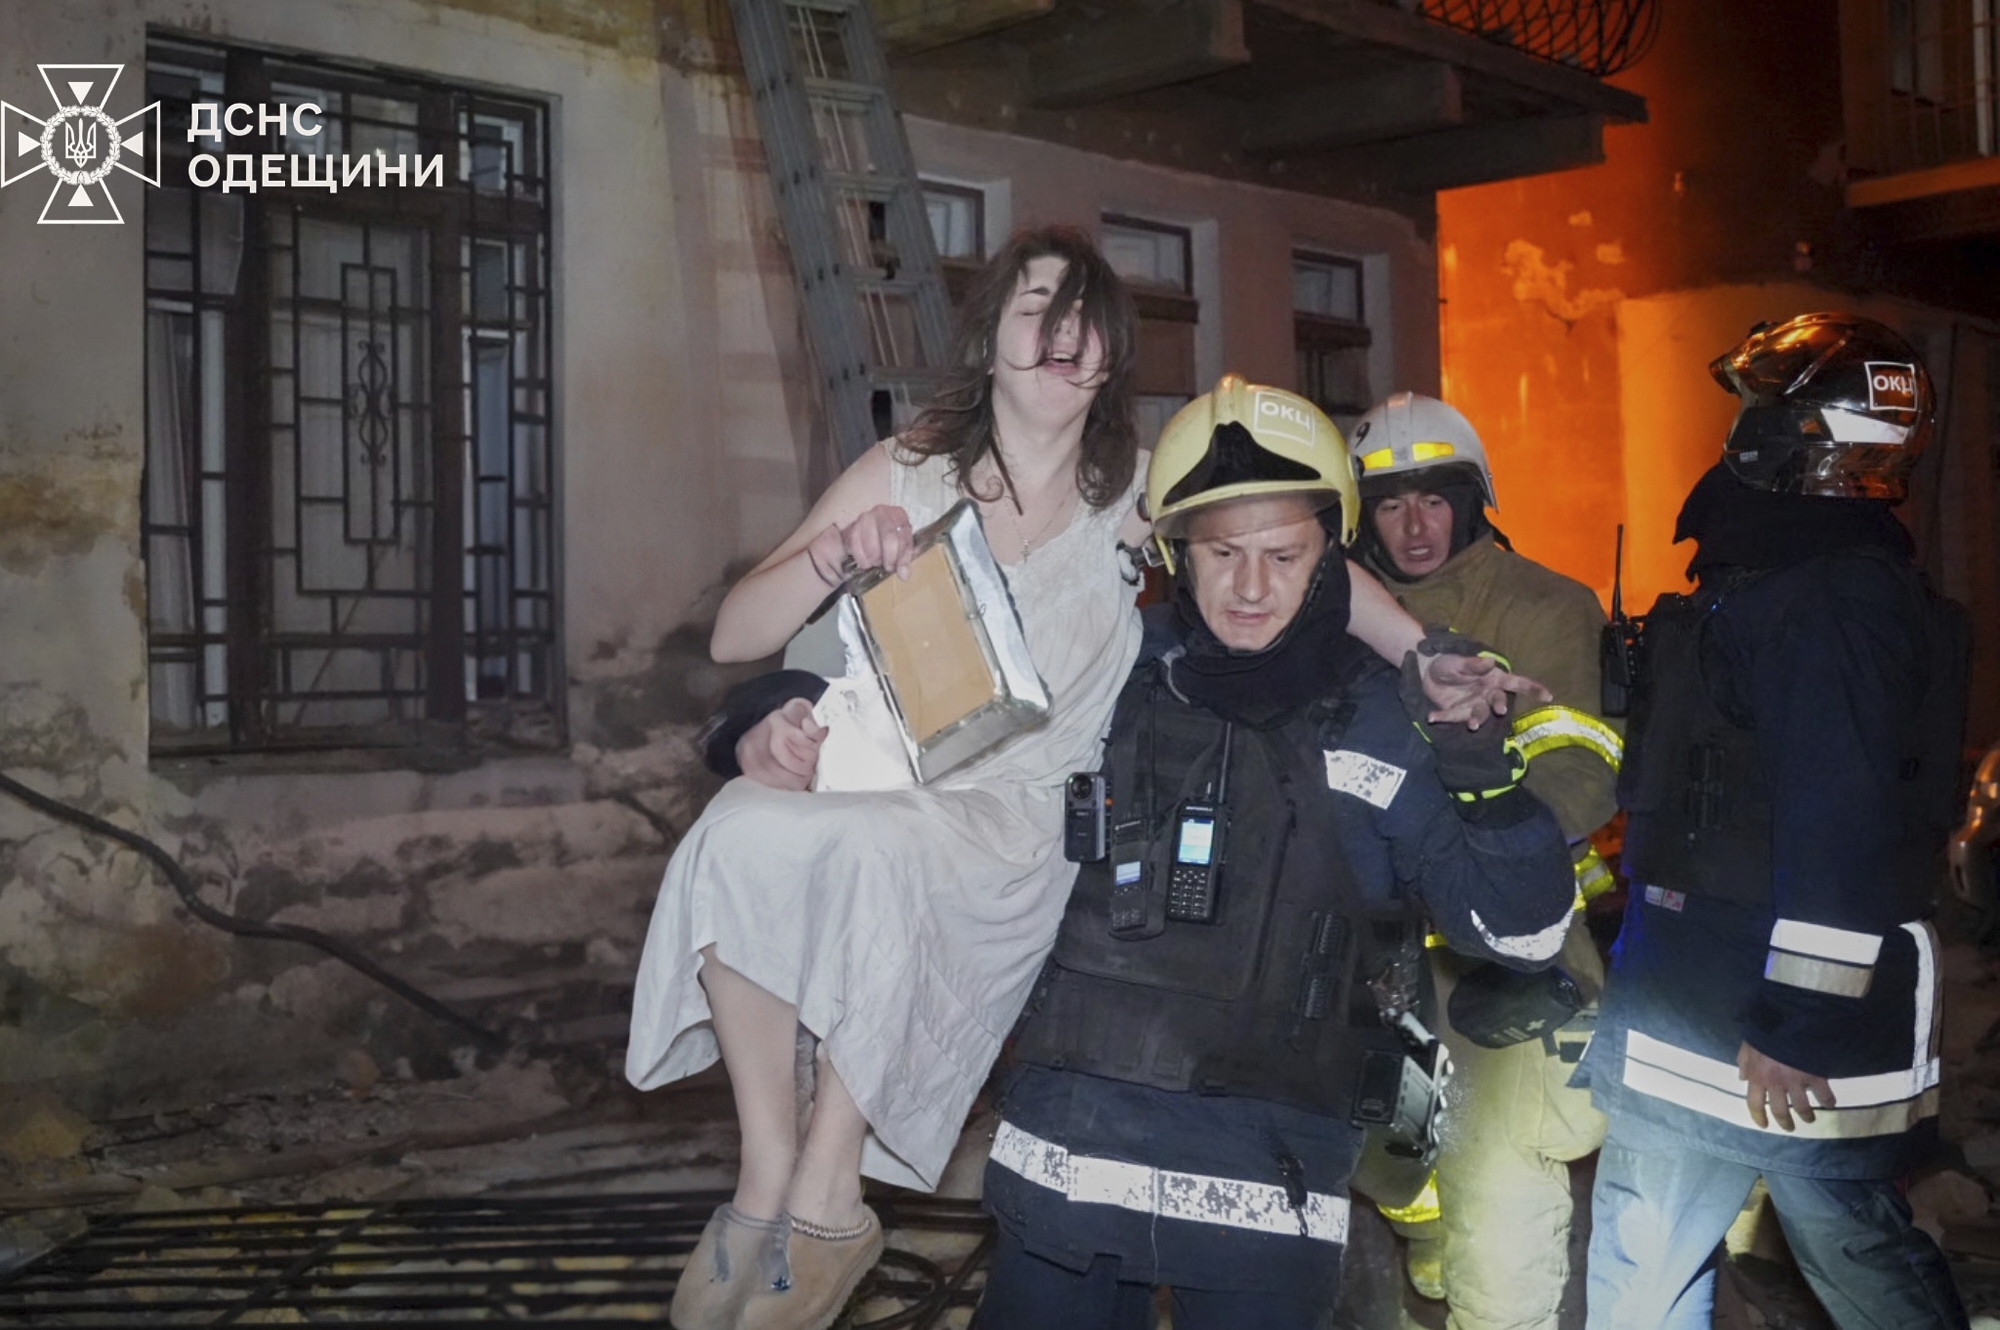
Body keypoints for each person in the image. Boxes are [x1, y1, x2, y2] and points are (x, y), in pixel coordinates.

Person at [624, 229, 1535, 1330]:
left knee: (878, 853)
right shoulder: (907, 467)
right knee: (735, 829)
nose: (1062, 336)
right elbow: (737, 636)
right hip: (902, 777)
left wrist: (1425, 655)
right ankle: (766, 1175)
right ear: (989, 337)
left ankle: (828, 1192)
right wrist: (830, 566)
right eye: (1036, 308)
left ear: (1109, 360)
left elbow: (1290, 546)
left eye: (1087, 320)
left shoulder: (1131, 491)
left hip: (1018, 820)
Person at [973, 376, 1579, 1330]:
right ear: (1175, 552)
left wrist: (1485, 779)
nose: (1250, 588)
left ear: (1332, 555)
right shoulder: (1106, 672)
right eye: (1221, 553)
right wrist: (776, 717)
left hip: (1265, 1195)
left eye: (1283, 555)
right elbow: (925, 743)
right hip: (1064, 1171)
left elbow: (1524, 936)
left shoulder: (1383, 718)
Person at [1579, 313, 1971, 1328]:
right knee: (1639, 1269)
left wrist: (1798, 1022)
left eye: (1760, 408)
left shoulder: (1834, 599)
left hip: (1774, 1026)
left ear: (1814, 437)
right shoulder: (1768, 580)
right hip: (1689, 995)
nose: (1739, 430)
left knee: (1853, 1257)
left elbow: (1842, 819)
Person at [1346, 392, 1620, 1330]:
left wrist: (1466, 855)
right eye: (1390, 504)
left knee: (1501, 1198)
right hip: (1370, 953)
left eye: (1434, 500)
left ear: (1471, 502)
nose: (1414, 526)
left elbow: (1579, 779)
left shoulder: (1544, 605)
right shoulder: (1335, 612)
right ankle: (1430, 1267)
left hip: (1504, 956)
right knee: (1393, 1163)